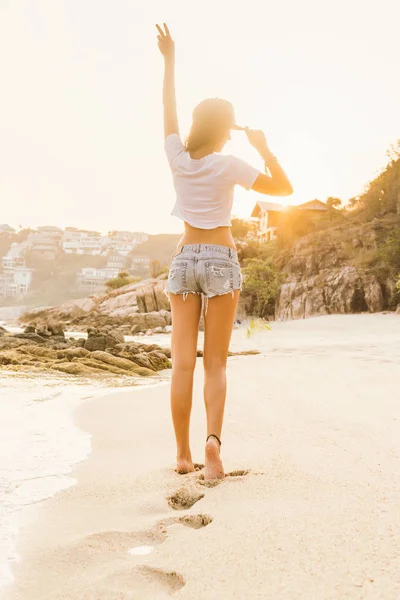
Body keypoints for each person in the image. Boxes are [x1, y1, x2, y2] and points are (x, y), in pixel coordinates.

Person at [156, 23, 293, 480]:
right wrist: (264, 147)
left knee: (182, 364)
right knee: (215, 363)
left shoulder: (177, 157)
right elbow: (285, 188)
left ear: (197, 126)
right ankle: (213, 446)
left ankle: (181, 454)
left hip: (183, 260)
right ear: (226, 130)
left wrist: (169, 60)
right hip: (220, 260)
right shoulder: (229, 163)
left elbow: (168, 109)